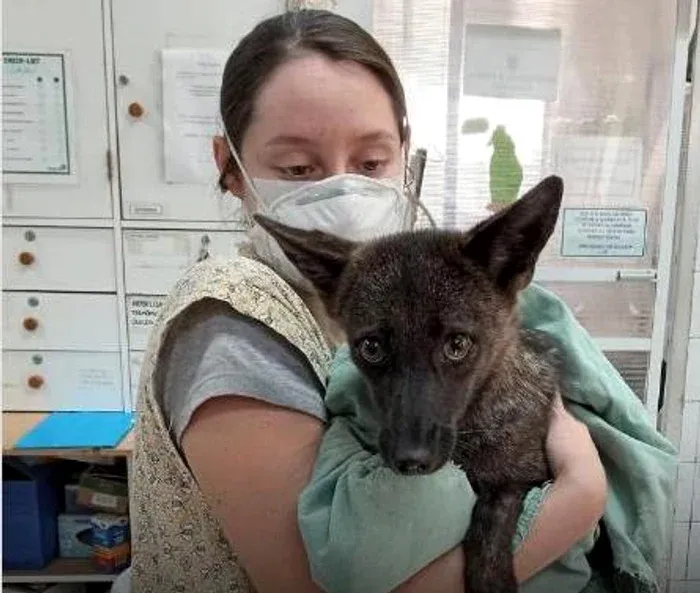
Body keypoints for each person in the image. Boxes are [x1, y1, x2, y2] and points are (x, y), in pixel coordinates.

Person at [125, 9, 612, 593]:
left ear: (406, 156)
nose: (341, 186)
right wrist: (581, 497)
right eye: (298, 167)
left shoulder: (372, 290)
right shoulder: (231, 326)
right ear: (229, 167)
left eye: (372, 163)